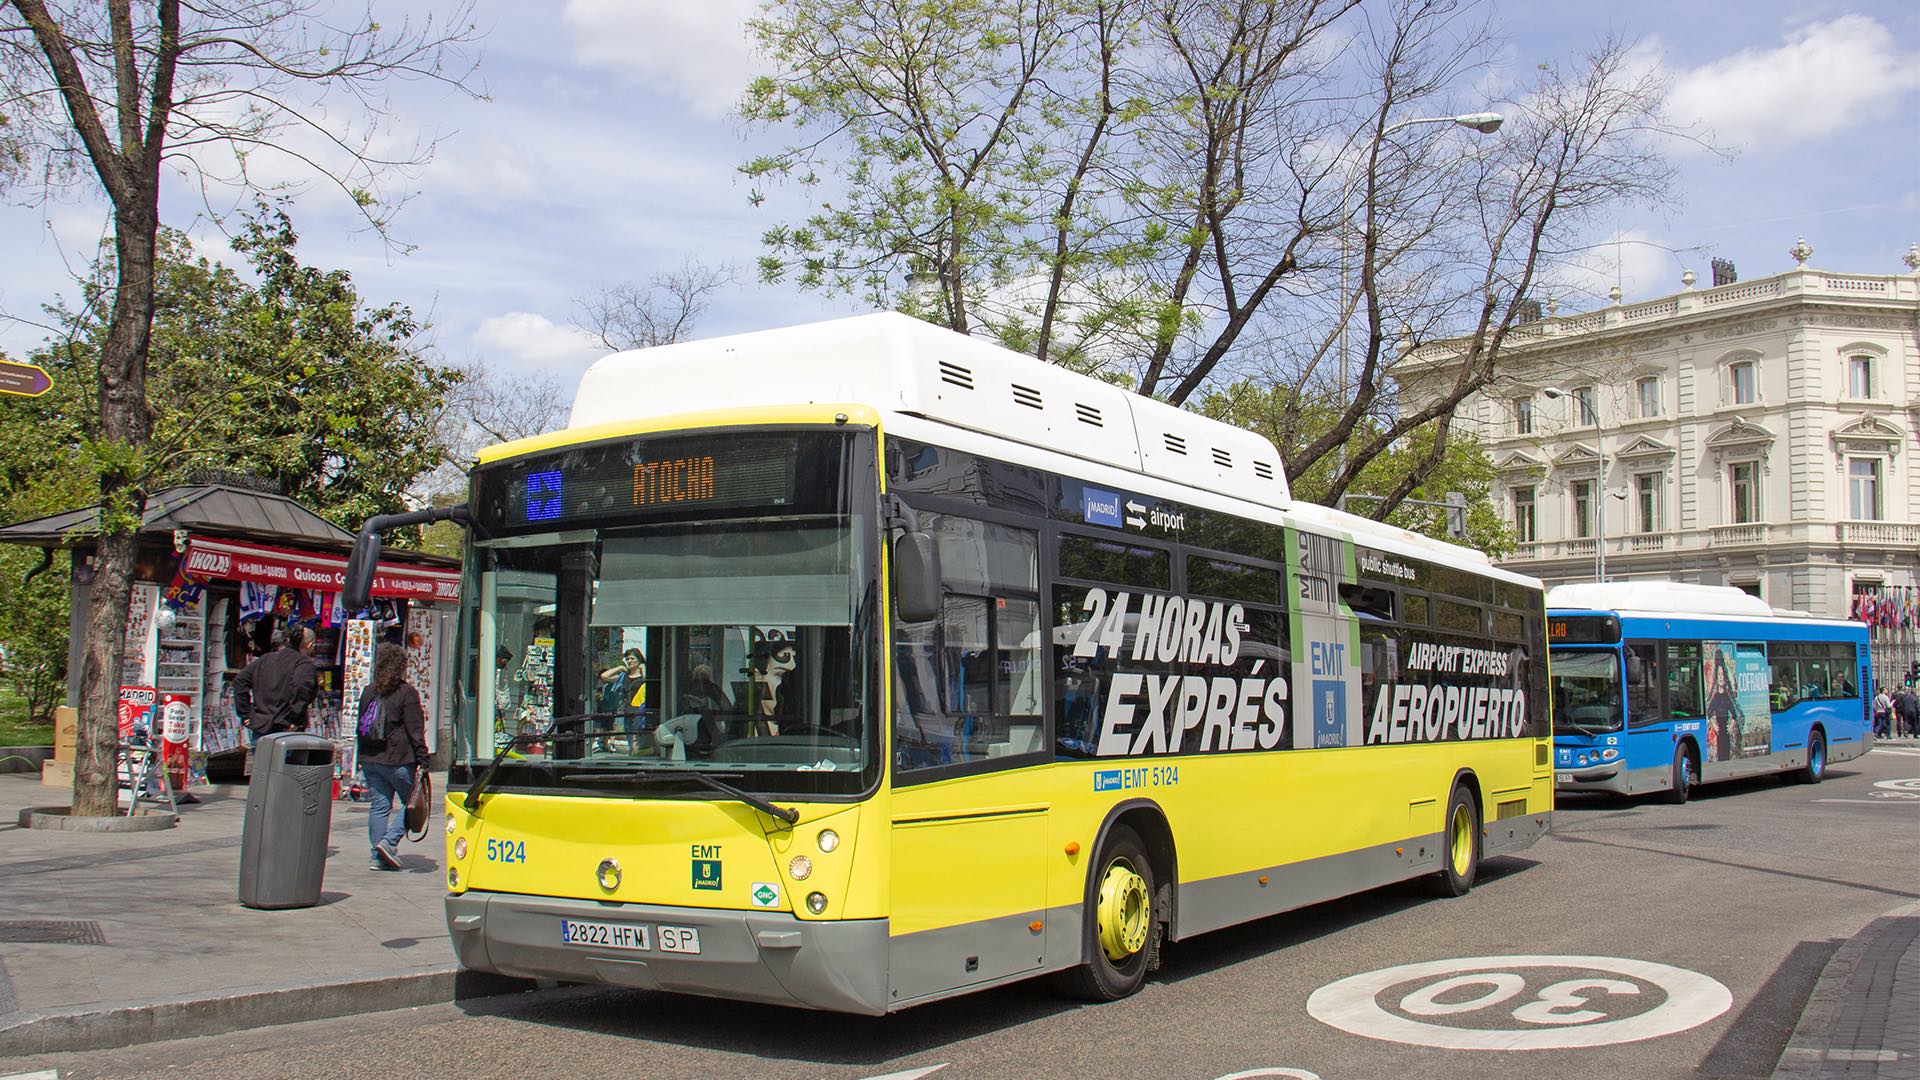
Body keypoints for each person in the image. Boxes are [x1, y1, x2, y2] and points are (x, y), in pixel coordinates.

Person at [357, 641, 429, 871]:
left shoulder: (368, 691)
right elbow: (415, 729)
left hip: (371, 759)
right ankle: (389, 842)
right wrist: (423, 759)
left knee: (379, 805)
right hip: (398, 759)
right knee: (414, 804)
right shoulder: (406, 693)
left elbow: (361, 725)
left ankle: (376, 856)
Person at [233, 624, 319, 741]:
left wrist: (245, 714)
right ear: (310, 645)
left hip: (260, 726)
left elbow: (240, 680)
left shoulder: (266, 659)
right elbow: (301, 690)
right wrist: (294, 720)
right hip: (285, 729)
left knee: (260, 758)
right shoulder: (304, 664)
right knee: (284, 759)